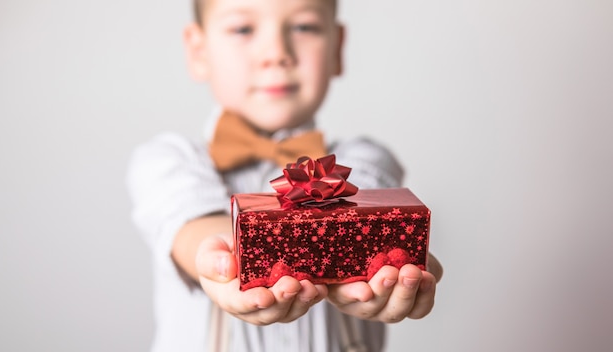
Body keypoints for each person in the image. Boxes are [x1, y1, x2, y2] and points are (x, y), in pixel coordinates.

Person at [126, 0, 443, 351]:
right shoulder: (168, 161)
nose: (277, 53)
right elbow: (190, 226)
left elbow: (367, 215)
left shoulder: (363, 160)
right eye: (243, 29)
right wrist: (225, 258)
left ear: (338, 48)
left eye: (304, 27)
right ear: (199, 51)